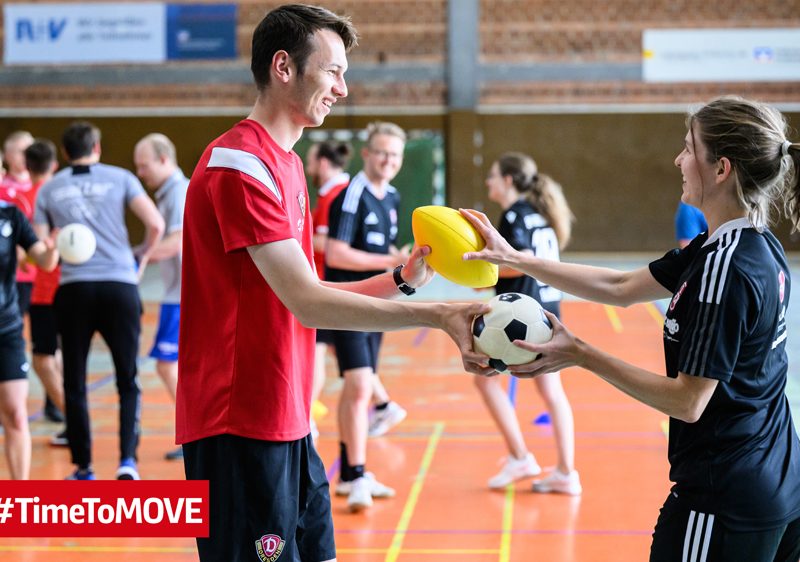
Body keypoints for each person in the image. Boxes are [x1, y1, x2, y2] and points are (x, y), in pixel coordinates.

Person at [176, 6, 487, 561]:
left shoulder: (288, 165)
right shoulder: (239, 165)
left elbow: (310, 289)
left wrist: (403, 280)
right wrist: (438, 315)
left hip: (288, 416)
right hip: (240, 423)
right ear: (284, 67)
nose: (343, 88)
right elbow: (309, 303)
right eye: (333, 71)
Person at [462, 96, 800, 561]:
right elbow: (620, 285)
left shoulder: (727, 269)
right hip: (774, 479)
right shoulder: (744, 245)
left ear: (721, 169)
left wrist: (580, 353)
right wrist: (516, 259)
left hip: (725, 496)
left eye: (688, 149)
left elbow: (688, 401)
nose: (679, 160)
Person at [34, 121, 165, 481]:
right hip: (119, 287)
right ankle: (127, 462)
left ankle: (84, 466)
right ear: (97, 148)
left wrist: (55, 247)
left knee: (74, 381)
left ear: (64, 153)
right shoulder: (120, 178)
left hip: (74, 290)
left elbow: (45, 255)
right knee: (128, 378)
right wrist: (139, 257)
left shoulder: (49, 189)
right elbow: (155, 223)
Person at [477, 152, 581, 495]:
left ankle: (520, 455)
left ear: (508, 179)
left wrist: (486, 267)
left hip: (523, 315)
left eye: (493, 175)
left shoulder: (513, 215)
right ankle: (565, 470)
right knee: (553, 392)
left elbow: (521, 262)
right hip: (549, 311)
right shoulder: (540, 214)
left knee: (485, 379)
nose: (489, 181)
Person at [325, 121, 413, 512]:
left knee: (356, 389)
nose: (387, 160)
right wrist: (391, 261)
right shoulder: (352, 195)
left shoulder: (391, 196)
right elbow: (336, 254)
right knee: (361, 387)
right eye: (381, 152)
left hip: (377, 304)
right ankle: (357, 475)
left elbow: (383, 247)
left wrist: (402, 262)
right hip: (346, 301)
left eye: (394, 154)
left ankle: (348, 476)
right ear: (366, 153)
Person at [133, 133, 189, 461]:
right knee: (172, 366)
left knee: (168, 366)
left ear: (165, 159)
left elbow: (177, 242)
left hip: (182, 295)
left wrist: (137, 258)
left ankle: (194, 432)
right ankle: (195, 431)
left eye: (145, 165)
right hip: (175, 293)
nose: (141, 173)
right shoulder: (167, 193)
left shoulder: (179, 192)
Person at [0, 198, 59, 479]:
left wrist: (51, 250)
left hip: (6, 328)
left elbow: (44, 261)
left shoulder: (11, 215)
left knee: (16, 414)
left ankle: (18, 499)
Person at [306, 140, 352, 440]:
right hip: (333, 284)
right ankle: (383, 402)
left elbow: (328, 245)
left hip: (327, 284)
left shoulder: (333, 196)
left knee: (318, 351)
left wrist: (294, 238)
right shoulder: (341, 192)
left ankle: (306, 414)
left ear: (323, 163)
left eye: (310, 160)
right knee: (340, 352)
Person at [24, 139, 68, 442]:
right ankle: (72, 419)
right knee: (61, 354)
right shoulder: (66, 192)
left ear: (26, 167)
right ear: (54, 164)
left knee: (43, 359)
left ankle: (74, 420)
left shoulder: (26, 198)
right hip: (71, 284)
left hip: (42, 288)